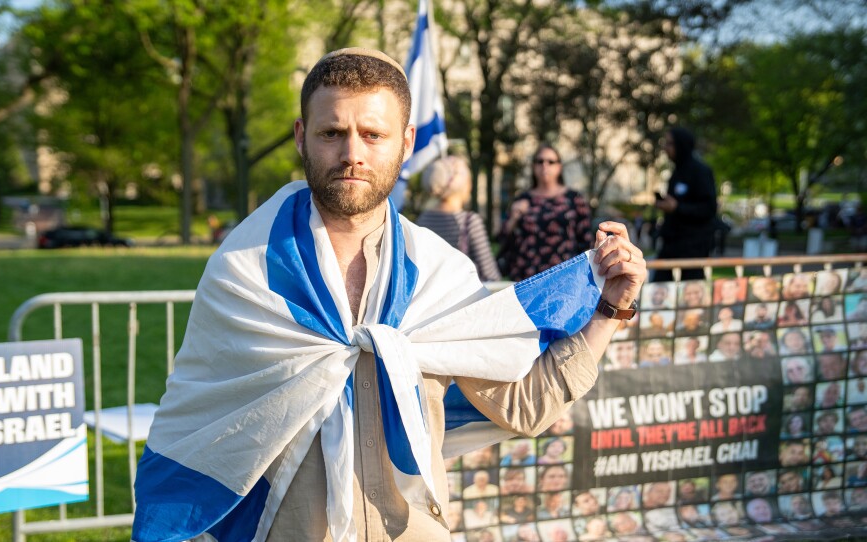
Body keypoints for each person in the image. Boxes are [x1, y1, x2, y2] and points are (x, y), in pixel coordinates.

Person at [131, 48, 648, 542]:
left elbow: (524, 405)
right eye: (332, 132)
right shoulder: (244, 270)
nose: (352, 153)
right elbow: (198, 428)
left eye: (372, 134)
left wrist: (608, 309)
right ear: (300, 137)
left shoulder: (439, 277)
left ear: (405, 142)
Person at [497, 143, 593, 281]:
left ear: (559, 167)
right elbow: (502, 236)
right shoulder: (522, 199)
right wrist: (514, 216)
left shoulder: (574, 199)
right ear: (533, 166)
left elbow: (586, 241)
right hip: (526, 278)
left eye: (551, 162)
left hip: (564, 277)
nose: (544, 165)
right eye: (539, 161)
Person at [417, 155, 501, 281]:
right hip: (463, 296)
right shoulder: (469, 222)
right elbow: (490, 274)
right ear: (464, 185)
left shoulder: (422, 219)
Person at [652, 127, 718, 282]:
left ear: (681, 145)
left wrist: (678, 208)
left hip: (692, 250)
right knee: (659, 292)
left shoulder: (700, 171)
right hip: (670, 246)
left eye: (670, 144)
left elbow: (709, 208)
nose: (665, 148)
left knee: (690, 298)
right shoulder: (676, 172)